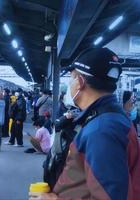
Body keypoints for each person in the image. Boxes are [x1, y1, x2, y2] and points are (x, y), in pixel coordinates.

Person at [30, 48, 140, 200]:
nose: (70, 84)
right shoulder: (109, 120)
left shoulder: (102, 131)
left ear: (80, 82)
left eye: (71, 78)